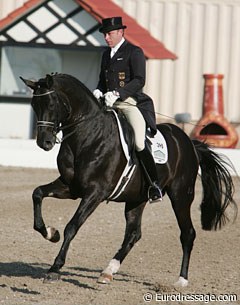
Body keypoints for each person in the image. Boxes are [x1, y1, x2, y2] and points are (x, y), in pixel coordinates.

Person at [93, 16, 162, 203]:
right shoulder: (106, 55)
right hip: (108, 103)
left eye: (109, 34)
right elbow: (102, 79)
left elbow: (139, 79)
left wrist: (118, 93)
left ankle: (154, 185)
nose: (106, 38)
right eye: (104, 34)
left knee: (139, 142)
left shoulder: (134, 52)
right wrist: (99, 90)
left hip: (129, 102)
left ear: (120, 32)